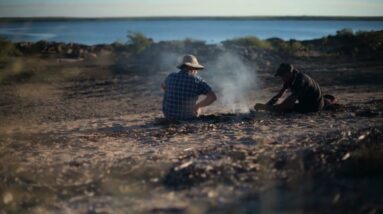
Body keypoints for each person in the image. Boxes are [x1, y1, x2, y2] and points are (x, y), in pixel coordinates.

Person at [161, 54, 217, 120]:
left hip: (169, 116)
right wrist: (197, 106)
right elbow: (212, 97)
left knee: (166, 91)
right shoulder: (197, 80)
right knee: (198, 107)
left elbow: (163, 86)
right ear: (194, 68)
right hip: (188, 117)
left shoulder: (171, 76)